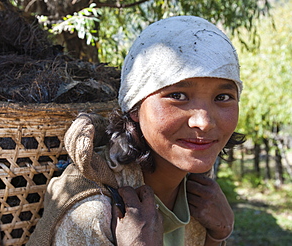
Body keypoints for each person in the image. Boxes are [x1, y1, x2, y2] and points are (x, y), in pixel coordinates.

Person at [27, 15, 245, 246]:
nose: (204, 122)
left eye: (223, 97)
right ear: (135, 108)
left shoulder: (199, 191)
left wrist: (217, 235)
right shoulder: (94, 214)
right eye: (177, 96)